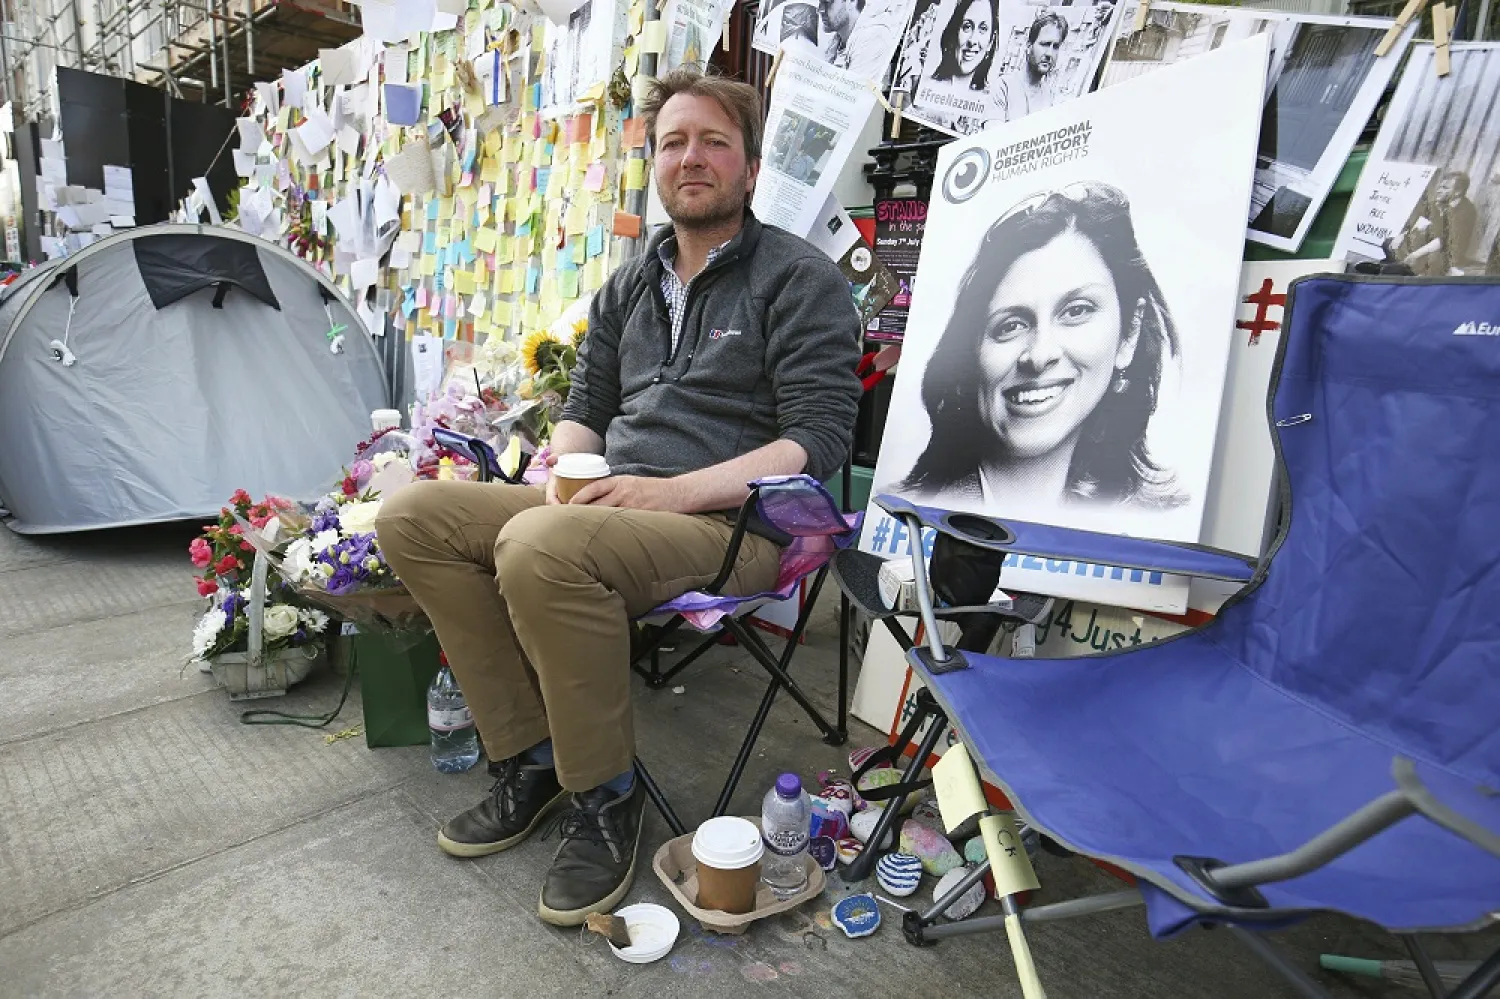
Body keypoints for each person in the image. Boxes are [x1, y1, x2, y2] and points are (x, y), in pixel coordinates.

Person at [375, 69, 862, 928]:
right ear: (656, 164)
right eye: (674, 142)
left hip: (729, 526)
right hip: (610, 510)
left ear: (751, 167)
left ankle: (606, 795)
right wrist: (566, 473)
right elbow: (585, 406)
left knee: (539, 546)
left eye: (714, 141)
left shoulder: (799, 278)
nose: (691, 157)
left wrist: (666, 494)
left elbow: (817, 439)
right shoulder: (630, 284)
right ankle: (529, 756)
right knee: (413, 517)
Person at [899, 183, 1185, 511]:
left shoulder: (1153, 518)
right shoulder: (912, 510)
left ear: (1129, 333)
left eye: (1076, 311)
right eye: (1010, 326)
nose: (1039, 355)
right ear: (970, 354)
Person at [1388, 170, 1478, 276]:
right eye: (1439, 187)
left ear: (1458, 192)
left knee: (1434, 259)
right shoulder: (1438, 204)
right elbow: (1419, 222)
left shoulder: (1465, 211)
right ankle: (1409, 267)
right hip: (1428, 245)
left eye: (1445, 188)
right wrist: (1403, 236)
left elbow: (1444, 240)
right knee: (1390, 243)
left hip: (1447, 251)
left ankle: (1432, 270)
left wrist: (1415, 254)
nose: (1439, 191)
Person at [994, 11, 1069, 123]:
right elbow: (992, 132)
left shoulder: (1050, 97)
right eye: (1045, 44)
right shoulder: (1004, 87)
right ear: (1029, 46)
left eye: (1055, 47)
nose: (1049, 53)